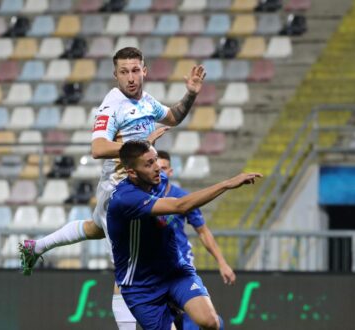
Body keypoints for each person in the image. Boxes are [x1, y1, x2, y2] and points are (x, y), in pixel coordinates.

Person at [19, 47, 206, 329]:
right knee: (128, 270)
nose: (130, 78)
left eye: (135, 70)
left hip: (137, 185)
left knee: (95, 229)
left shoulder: (145, 101)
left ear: (144, 70)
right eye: (123, 72)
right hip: (120, 192)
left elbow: (173, 116)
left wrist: (190, 93)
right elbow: (97, 148)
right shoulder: (112, 104)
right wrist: (140, 148)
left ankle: (36, 247)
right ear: (115, 75)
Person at [108, 140, 262, 330]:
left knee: (210, 321)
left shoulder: (159, 181)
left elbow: (201, 228)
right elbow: (180, 206)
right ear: (132, 172)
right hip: (141, 286)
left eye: (156, 161)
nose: (157, 168)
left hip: (174, 271)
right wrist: (228, 183)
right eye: (149, 164)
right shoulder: (126, 198)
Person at [157, 150, 236, 329]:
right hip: (155, 269)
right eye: (157, 168)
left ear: (171, 171)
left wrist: (222, 262)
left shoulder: (184, 198)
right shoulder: (145, 198)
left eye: (164, 168)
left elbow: (203, 231)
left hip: (180, 264)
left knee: (198, 319)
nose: (160, 172)